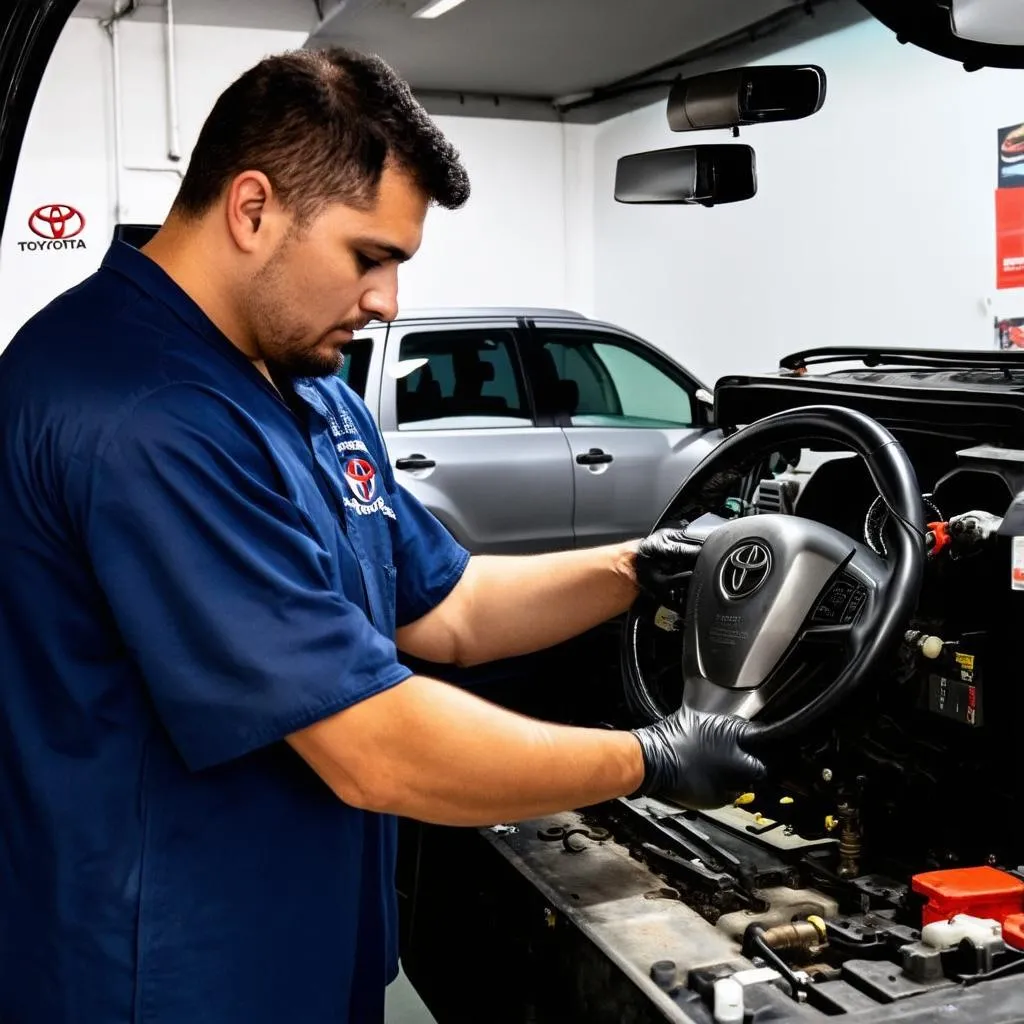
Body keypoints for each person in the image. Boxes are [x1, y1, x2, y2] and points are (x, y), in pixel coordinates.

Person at [0, 47, 763, 1024]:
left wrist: (639, 569)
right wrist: (649, 757)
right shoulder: (142, 410)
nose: (386, 303)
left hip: (305, 946)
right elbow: (376, 748)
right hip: (173, 976)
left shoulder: (305, 389)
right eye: (369, 256)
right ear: (251, 209)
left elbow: (444, 606)